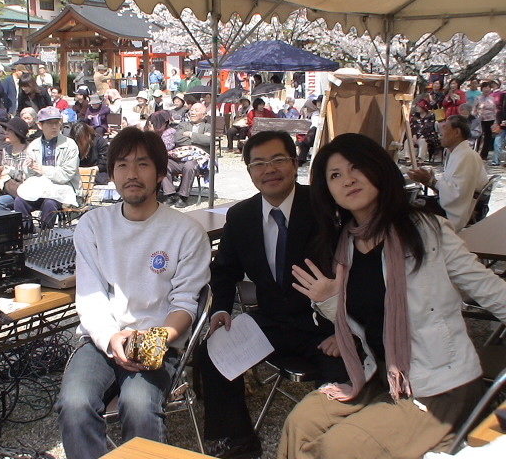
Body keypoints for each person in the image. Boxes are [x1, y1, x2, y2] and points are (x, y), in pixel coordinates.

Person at [277, 133, 506, 459]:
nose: (348, 180)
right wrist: (331, 301)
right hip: (379, 376)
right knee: (302, 421)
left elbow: (491, 290)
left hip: (439, 386)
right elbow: (366, 322)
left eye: (356, 167)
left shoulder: (428, 231)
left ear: (378, 169)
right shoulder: (344, 246)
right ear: (328, 191)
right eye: (335, 175)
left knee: (339, 447)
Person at [56, 127, 211, 459]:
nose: (132, 174)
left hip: (156, 341)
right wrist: (111, 337)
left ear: (160, 172)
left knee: (139, 405)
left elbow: (185, 304)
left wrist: (157, 338)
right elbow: (90, 295)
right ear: (112, 174)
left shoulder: (186, 232)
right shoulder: (93, 225)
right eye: (122, 165)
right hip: (101, 340)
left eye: (142, 164)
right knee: (74, 403)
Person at [199, 130, 346, 459]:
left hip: (324, 325)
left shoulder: (326, 206)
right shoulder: (241, 216)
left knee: (342, 375)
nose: (270, 170)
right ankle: (237, 443)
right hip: (272, 320)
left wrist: (347, 329)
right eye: (259, 163)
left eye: (278, 160)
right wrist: (220, 310)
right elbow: (225, 270)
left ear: (295, 163)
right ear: (250, 171)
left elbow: (358, 271)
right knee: (213, 351)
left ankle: (327, 446)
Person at [407, 115, 488, 231]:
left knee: (407, 211)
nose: (440, 132)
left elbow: (458, 195)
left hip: (458, 212)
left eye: (444, 127)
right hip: (451, 205)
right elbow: (450, 191)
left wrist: (431, 181)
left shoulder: (467, 156)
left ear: (456, 132)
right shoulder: (459, 154)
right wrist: (429, 182)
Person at [15, 106, 81, 233]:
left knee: (49, 204)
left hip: (62, 189)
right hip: (40, 189)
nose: (55, 126)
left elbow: (67, 174)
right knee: (19, 201)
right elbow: (30, 177)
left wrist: (43, 170)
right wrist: (29, 167)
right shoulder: (34, 145)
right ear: (40, 125)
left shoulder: (69, 145)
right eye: (50, 123)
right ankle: (28, 234)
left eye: (57, 122)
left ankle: (44, 236)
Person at [160, 103, 211, 208]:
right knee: (163, 164)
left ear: (204, 115)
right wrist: (199, 139)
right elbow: (178, 139)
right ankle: (170, 194)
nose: (192, 112)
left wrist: (191, 134)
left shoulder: (208, 127)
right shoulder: (183, 125)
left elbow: (208, 141)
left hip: (197, 161)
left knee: (189, 166)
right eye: (191, 110)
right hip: (179, 158)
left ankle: (183, 197)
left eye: (196, 110)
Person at [0, 117, 30, 211]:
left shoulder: (29, 150)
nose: (6, 133)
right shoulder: (6, 149)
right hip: (9, 189)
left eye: (10, 131)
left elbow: (27, 176)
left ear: (18, 133)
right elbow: (4, 170)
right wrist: (0, 170)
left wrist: (9, 171)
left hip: (25, 191)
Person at [472, 81, 496, 160]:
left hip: (490, 120)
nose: (486, 89)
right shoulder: (478, 98)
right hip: (480, 120)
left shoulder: (493, 98)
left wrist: (496, 120)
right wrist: (474, 117)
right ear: (482, 89)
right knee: (478, 136)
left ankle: (484, 154)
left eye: (488, 88)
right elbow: (474, 109)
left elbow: (495, 109)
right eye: (485, 88)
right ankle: (475, 152)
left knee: (488, 137)